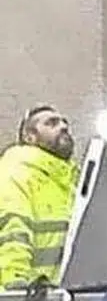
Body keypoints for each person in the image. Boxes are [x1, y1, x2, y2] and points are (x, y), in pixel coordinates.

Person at [0, 104, 78, 289]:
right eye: (52, 123)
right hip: (27, 298)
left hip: (58, 294)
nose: (63, 127)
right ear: (30, 137)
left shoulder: (70, 180)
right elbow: (12, 229)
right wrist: (15, 281)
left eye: (64, 122)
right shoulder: (15, 171)